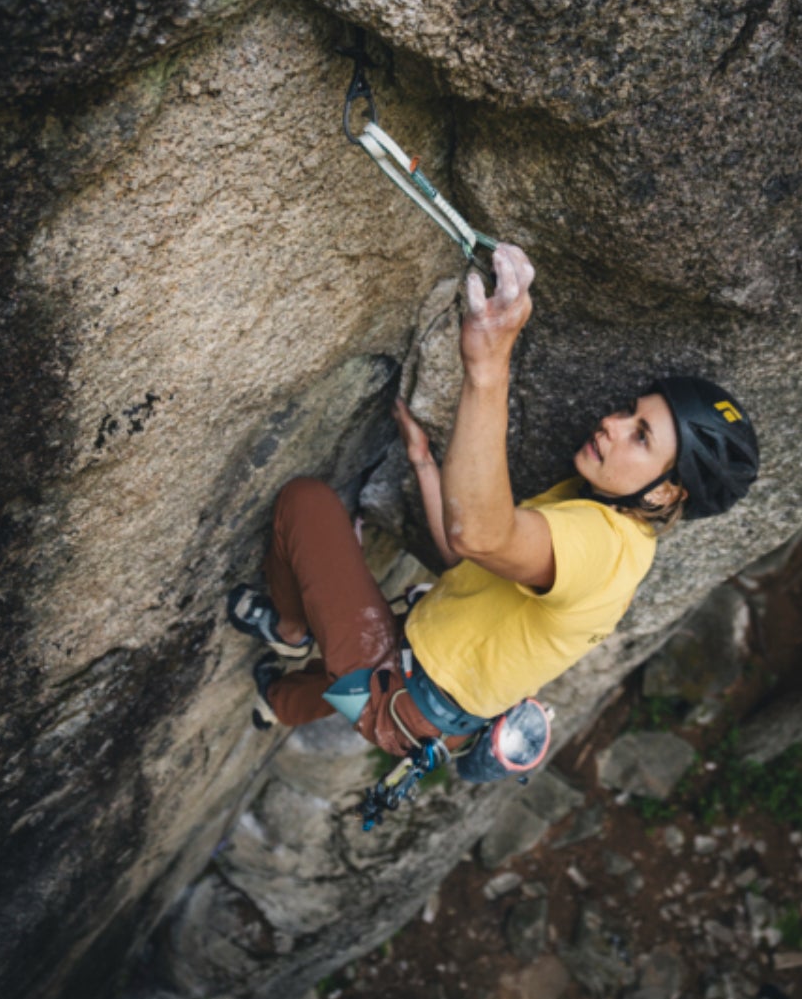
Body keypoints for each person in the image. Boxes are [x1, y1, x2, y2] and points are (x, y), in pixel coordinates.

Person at [226, 244, 759, 763]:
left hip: (400, 695)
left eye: (640, 436)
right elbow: (469, 558)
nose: (611, 424)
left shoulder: (603, 546)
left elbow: (479, 533)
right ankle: (276, 703)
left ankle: (291, 632)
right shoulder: (606, 519)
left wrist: (489, 364)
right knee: (349, 663)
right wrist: (424, 465)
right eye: (628, 411)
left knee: (306, 504)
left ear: (666, 491)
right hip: (424, 699)